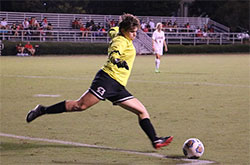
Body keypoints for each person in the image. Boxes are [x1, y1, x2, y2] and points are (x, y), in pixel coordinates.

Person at [26, 13, 173, 149]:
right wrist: (116, 60)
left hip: (118, 86)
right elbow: (114, 50)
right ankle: (42, 110)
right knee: (80, 106)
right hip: (107, 80)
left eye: (136, 32)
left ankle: (155, 139)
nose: (134, 35)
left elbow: (112, 31)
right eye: (132, 32)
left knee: (141, 111)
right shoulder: (121, 40)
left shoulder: (118, 32)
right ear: (124, 30)